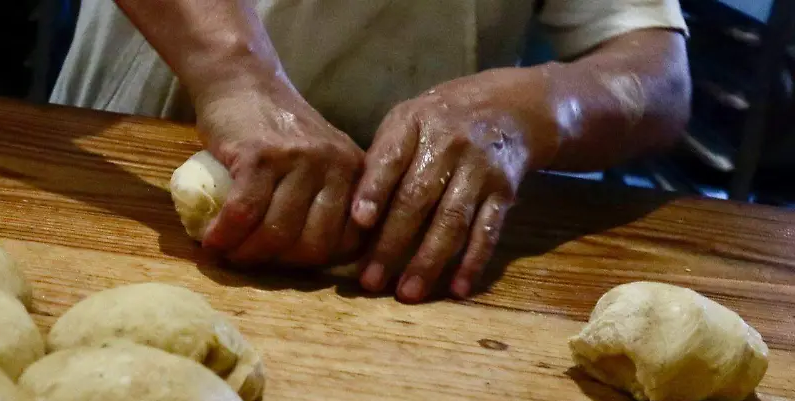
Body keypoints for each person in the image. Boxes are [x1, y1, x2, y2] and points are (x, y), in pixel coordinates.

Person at [51, 0, 691, 303]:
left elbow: (658, 71)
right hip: (131, 194)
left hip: (398, 240)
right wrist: (234, 70)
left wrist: (542, 107)